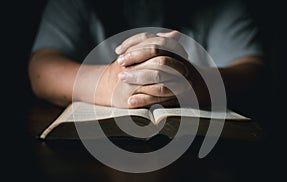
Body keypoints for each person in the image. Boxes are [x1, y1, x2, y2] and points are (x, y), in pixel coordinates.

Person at [28, 0, 265, 110]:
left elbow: (253, 71)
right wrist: (109, 83)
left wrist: (191, 82)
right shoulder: (76, 4)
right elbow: (41, 68)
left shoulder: (221, 5)